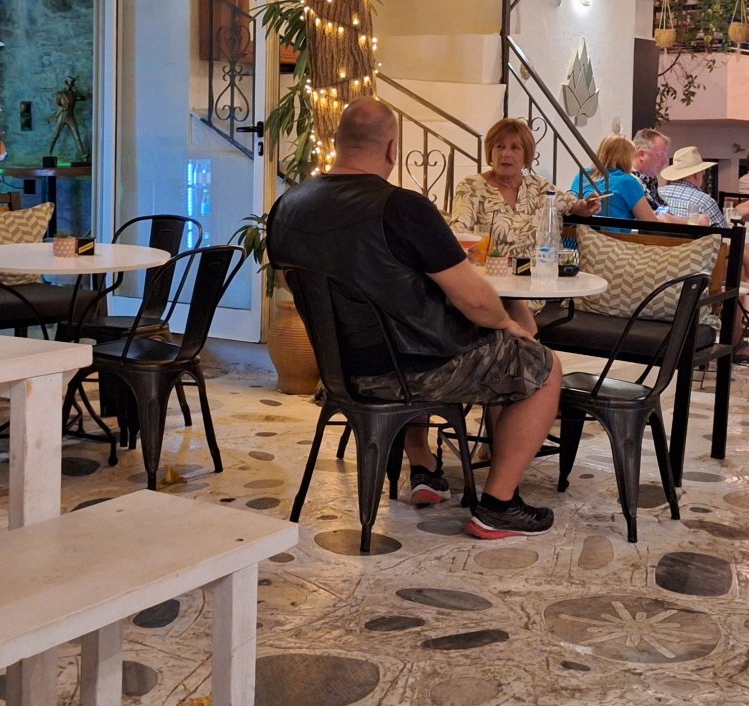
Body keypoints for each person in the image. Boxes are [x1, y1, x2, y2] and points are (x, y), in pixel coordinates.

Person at [267, 98, 563, 537]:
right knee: (542, 365)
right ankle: (498, 505)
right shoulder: (402, 207)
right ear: (392, 148)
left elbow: (294, 284)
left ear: (337, 141)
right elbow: (473, 299)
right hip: (411, 374)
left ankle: (423, 463)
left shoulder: (288, 205)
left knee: (418, 334)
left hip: (340, 372)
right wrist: (507, 324)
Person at [446, 118, 597, 259]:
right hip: (491, 272)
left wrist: (586, 207)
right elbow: (457, 233)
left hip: (541, 272)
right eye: (499, 146)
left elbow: (574, 205)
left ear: (526, 155)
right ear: (490, 152)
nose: (506, 154)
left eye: (515, 148)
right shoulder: (471, 187)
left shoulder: (541, 187)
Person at [570, 134, 660, 224]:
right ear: (627, 158)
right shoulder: (627, 182)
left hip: (577, 232)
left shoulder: (582, 175)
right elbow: (651, 224)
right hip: (610, 233)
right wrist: (664, 219)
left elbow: (571, 204)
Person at [655, 146, 729, 227]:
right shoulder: (705, 201)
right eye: (703, 172)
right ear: (697, 175)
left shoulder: (657, 193)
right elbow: (724, 232)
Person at [631, 128, 671, 213]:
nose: (665, 161)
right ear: (641, 155)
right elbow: (658, 218)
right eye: (660, 155)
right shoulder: (630, 182)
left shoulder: (650, 181)